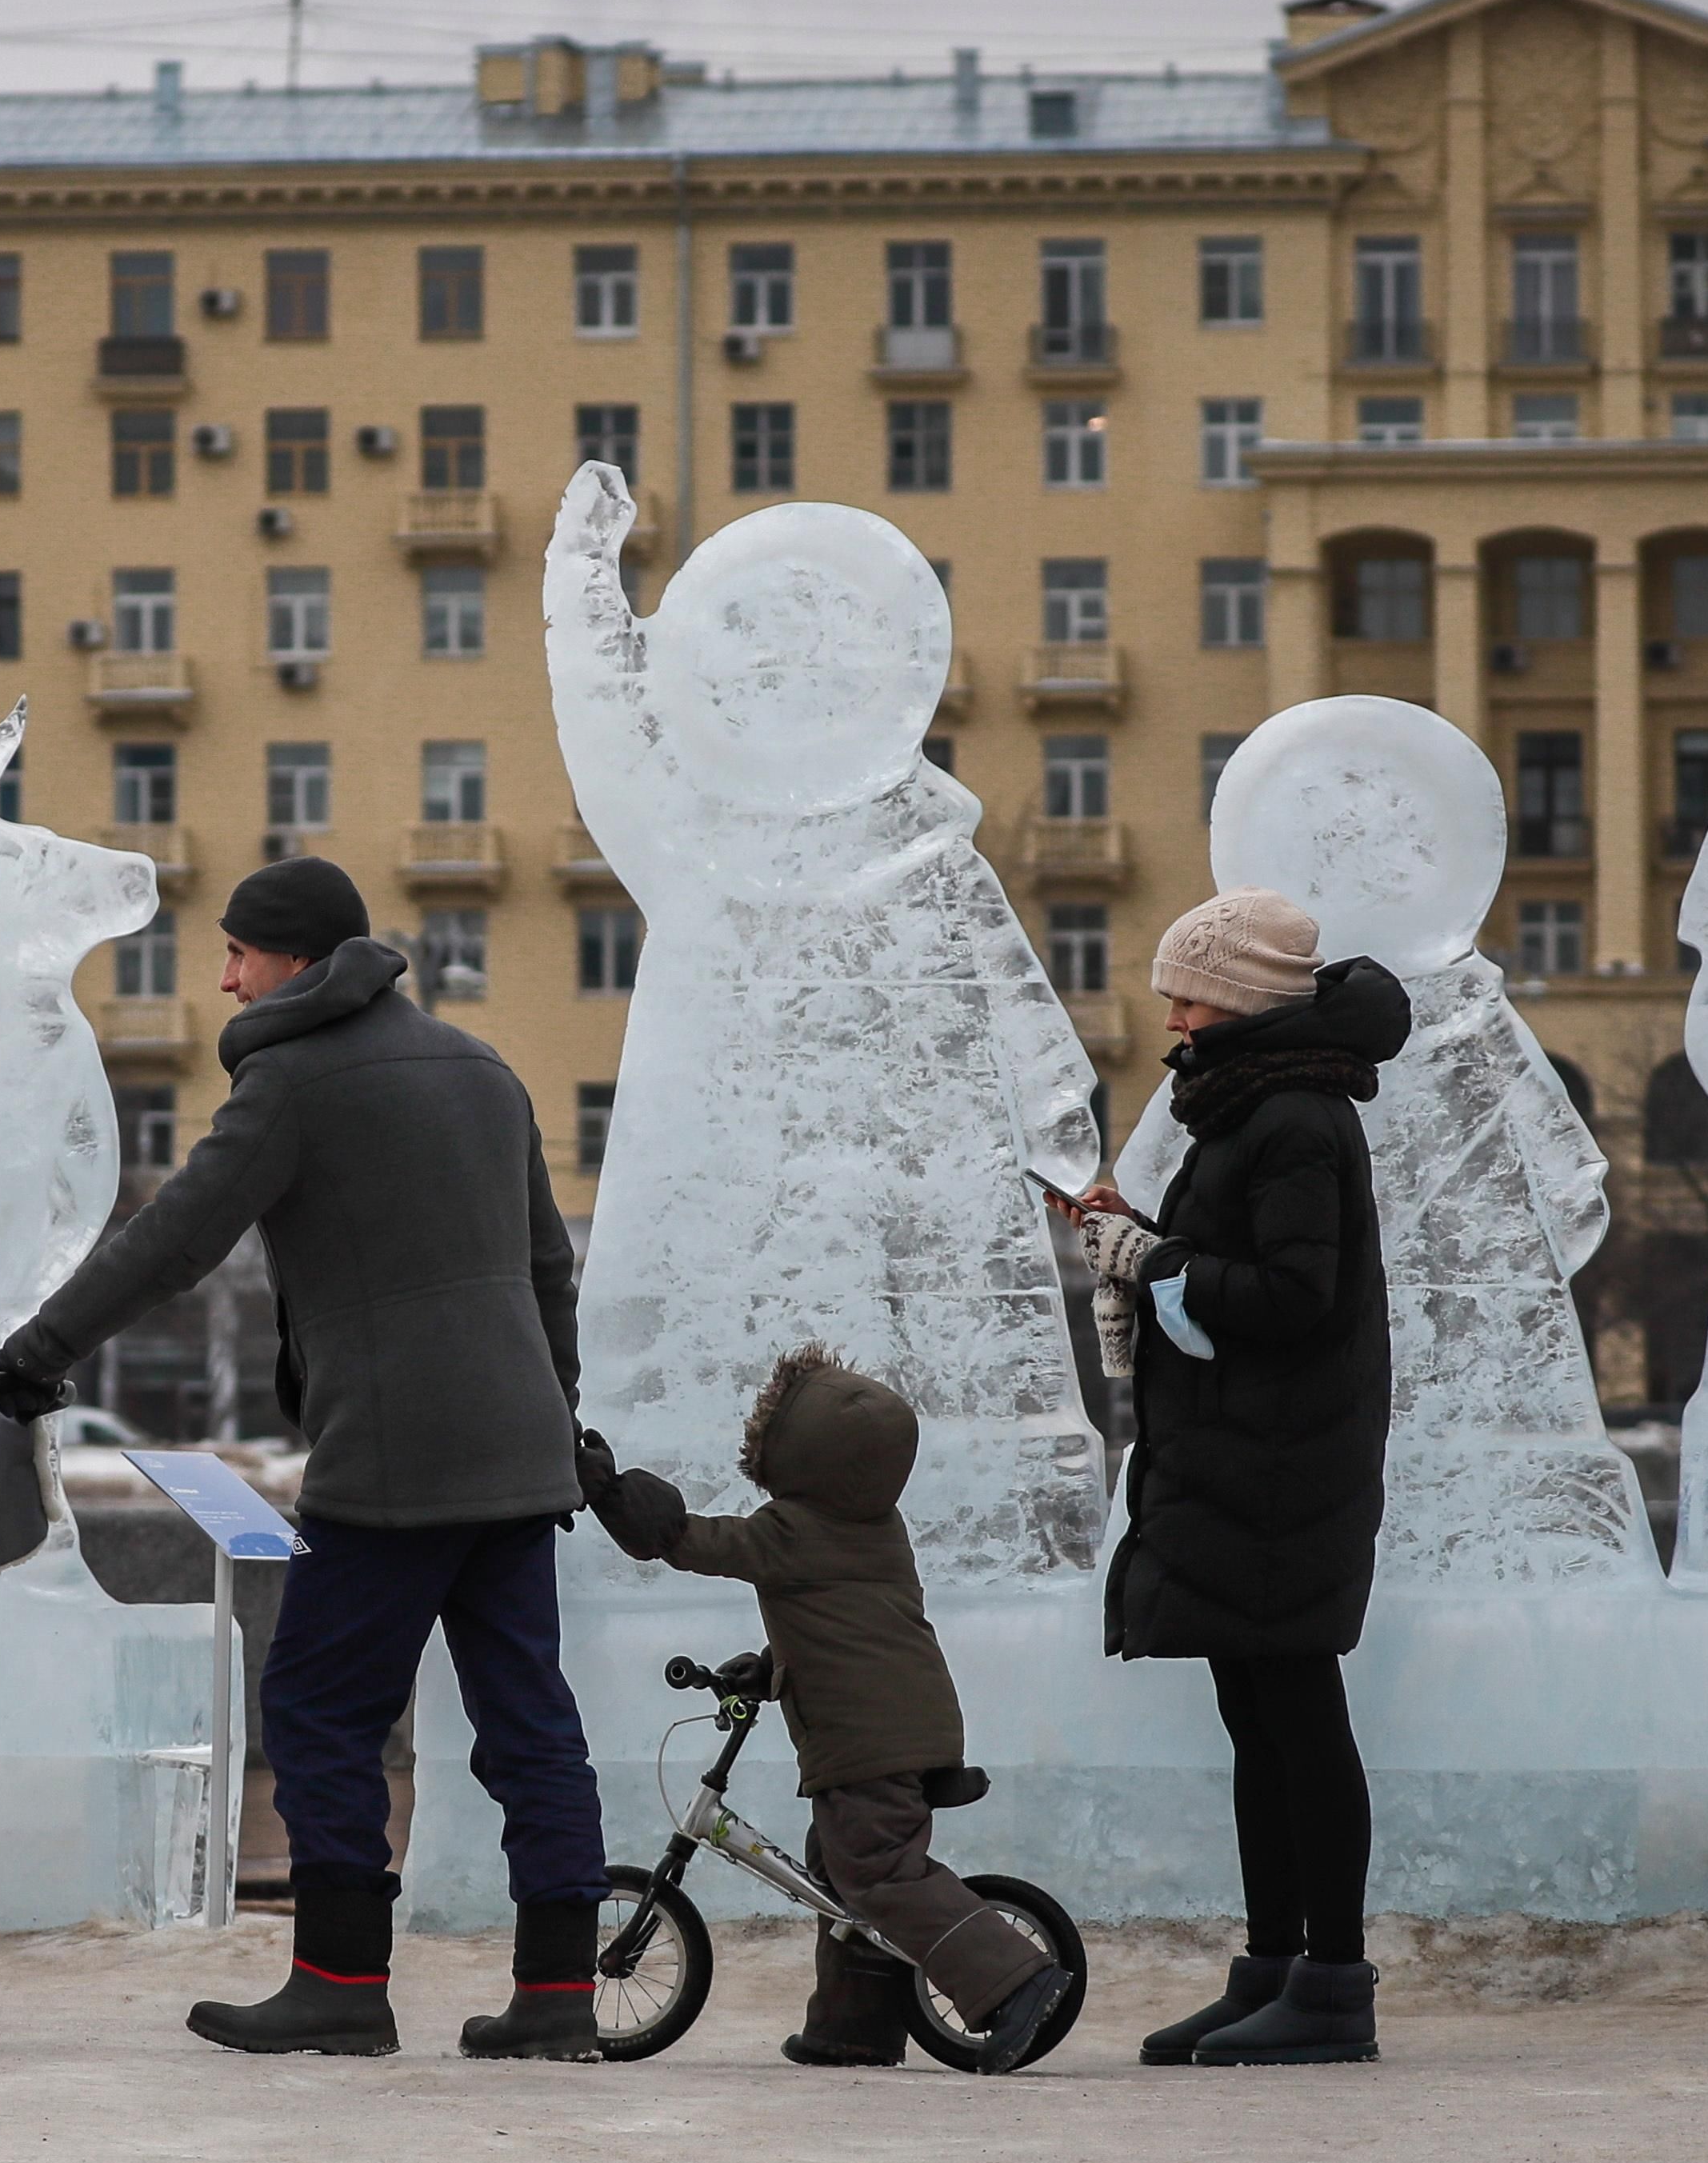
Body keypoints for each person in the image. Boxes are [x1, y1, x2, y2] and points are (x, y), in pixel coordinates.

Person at [0, 854, 602, 2061]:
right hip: (519, 1457)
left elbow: (174, 1241)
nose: (222, 978)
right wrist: (553, 1422)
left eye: (239, 954)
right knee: (531, 1720)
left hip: (392, 1461)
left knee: (317, 1709)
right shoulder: (485, 1070)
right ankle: (559, 1994)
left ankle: (338, 1982)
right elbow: (547, 1273)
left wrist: (34, 1352)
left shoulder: (296, 1083)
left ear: (299, 961)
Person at [1065, 889, 1407, 2067]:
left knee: (1298, 1724)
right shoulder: (1251, 1109)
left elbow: (1293, 1301)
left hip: (1283, 1471)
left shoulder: (1295, 1118)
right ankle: (1274, 1968)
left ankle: (1332, 1983)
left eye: (1190, 991)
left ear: (1249, 1000)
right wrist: (1141, 1232)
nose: (1171, 1013)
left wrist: (1154, 1255)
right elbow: (1242, 1269)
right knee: (1260, 1727)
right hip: (1246, 1463)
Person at [578, 1347, 1074, 2073]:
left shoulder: (792, 1529)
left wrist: (615, 1494)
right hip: (904, 1721)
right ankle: (854, 2025)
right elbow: (845, 1619)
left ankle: (1017, 1979)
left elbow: (696, 1543)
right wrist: (772, 1665)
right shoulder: (874, 1525)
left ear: (796, 1453)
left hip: (867, 1737)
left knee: (878, 1874)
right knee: (839, 1871)